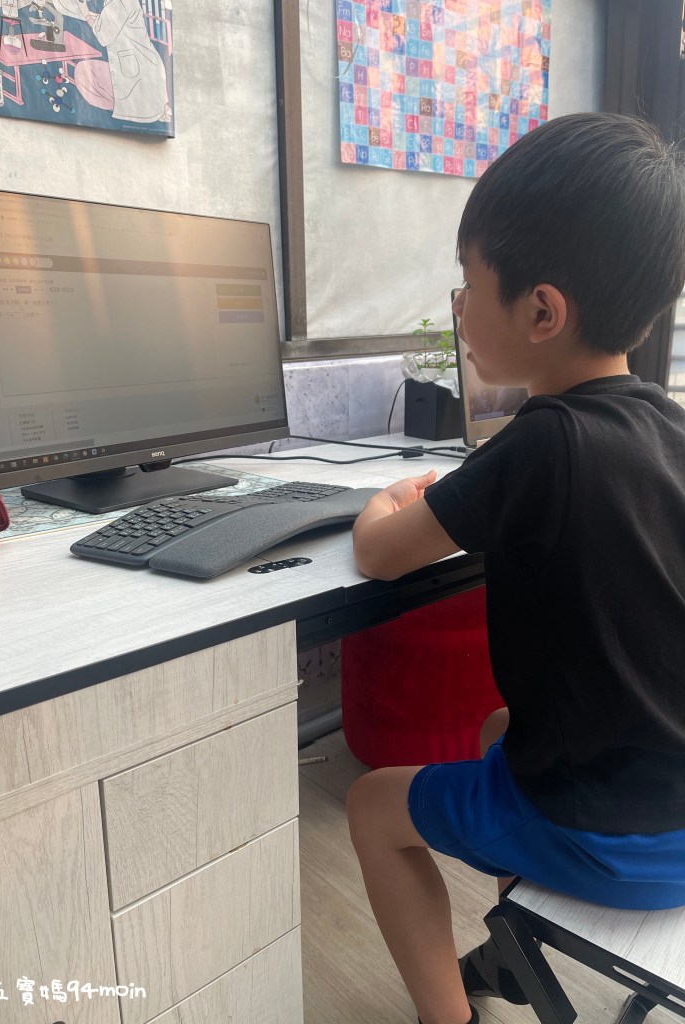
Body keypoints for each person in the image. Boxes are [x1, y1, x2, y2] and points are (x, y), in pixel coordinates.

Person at [346, 111, 685, 1024]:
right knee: (501, 725)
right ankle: (515, 956)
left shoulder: (541, 444)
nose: (458, 308)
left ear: (541, 312)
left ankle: (445, 1017)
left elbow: (382, 553)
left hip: (613, 835)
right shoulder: (669, 427)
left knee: (373, 808)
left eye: (468, 285)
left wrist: (389, 499)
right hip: (676, 804)